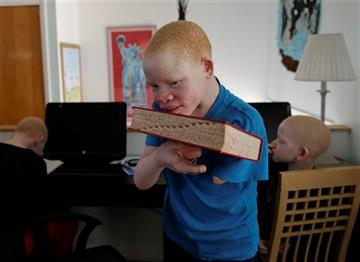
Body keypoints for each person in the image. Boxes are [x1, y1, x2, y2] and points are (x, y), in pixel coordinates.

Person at [134, 20, 268, 261]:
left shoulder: (245, 120)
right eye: (154, 86)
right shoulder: (162, 111)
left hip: (232, 247)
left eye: (174, 82)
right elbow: (141, 181)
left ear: (206, 68)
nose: (162, 97)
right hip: (179, 239)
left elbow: (219, 178)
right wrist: (160, 157)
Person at [0, 116, 77, 260]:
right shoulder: (34, 161)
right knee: (69, 221)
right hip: (19, 236)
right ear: (40, 140)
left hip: (4, 237)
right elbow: (39, 204)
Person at [257, 115, 331, 257]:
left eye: (281, 141)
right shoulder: (271, 167)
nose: (272, 143)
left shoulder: (314, 195)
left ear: (301, 153)